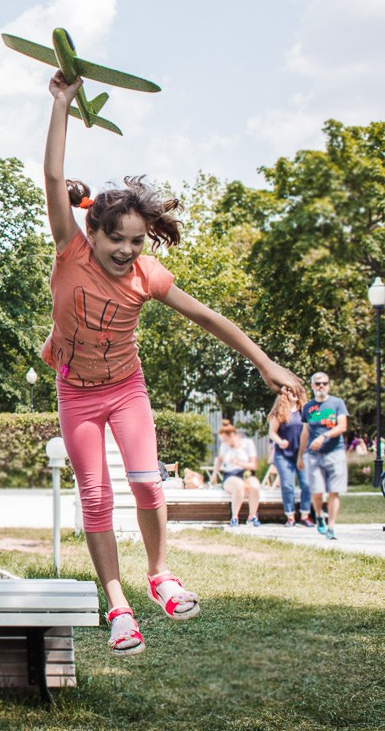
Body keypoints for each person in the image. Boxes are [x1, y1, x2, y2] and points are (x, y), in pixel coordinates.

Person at [41, 71, 303, 656]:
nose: (127, 251)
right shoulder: (71, 251)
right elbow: (55, 177)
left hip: (126, 387)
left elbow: (209, 317)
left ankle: (160, 574)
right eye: (117, 239)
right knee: (95, 498)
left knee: (147, 483)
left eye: (137, 241)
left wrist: (264, 364)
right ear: (93, 232)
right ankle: (118, 604)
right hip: (77, 392)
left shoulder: (146, 275)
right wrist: (60, 103)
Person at [299, 371, 348, 540]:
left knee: (334, 491)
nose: (322, 386)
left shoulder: (337, 403)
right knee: (317, 491)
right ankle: (319, 516)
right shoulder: (307, 407)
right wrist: (300, 456)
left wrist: (324, 436)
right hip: (313, 455)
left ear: (328, 385)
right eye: (318, 383)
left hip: (335, 451)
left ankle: (331, 527)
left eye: (325, 383)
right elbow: (305, 433)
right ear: (312, 386)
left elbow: (342, 427)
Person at [268, 389, 312, 527]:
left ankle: (305, 516)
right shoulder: (279, 413)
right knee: (288, 485)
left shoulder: (305, 411)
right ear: (285, 394)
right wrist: (280, 442)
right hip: (284, 455)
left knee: (307, 484)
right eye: (291, 391)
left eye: (296, 392)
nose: (294, 394)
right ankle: (290, 517)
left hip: (302, 454)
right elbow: (272, 433)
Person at [211, 420, 262, 527]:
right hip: (231, 475)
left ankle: (252, 516)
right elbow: (220, 459)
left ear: (233, 435)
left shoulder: (247, 443)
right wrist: (214, 475)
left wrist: (239, 463)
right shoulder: (225, 446)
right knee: (239, 485)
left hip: (246, 473)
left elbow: (254, 466)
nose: (224, 442)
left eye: (225, 439)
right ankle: (234, 517)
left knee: (255, 486)